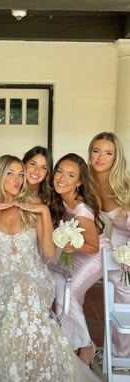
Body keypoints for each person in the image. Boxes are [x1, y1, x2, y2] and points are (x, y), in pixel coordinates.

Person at [0, 154, 101, 382]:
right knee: (23, 296)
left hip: (35, 277)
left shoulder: (34, 207)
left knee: (25, 286)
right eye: (10, 174)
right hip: (3, 280)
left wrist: (42, 212)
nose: (17, 179)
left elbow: (50, 253)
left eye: (21, 174)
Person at [50, 153, 111, 366]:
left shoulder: (82, 210)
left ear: (79, 182)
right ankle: (70, 346)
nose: (61, 178)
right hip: (76, 253)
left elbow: (93, 246)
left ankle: (87, 346)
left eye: (70, 175)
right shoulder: (59, 199)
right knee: (63, 290)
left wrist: (71, 245)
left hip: (96, 256)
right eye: (59, 171)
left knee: (69, 293)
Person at [88, 131, 130, 360]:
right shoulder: (90, 182)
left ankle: (123, 358)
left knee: (125, 292)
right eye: (96, 151)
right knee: (112, 286)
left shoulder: (125, 185)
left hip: (128, 236)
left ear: (116, 158)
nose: (100, 157)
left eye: (108, 153)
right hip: (121, 235)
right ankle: (112, 354)